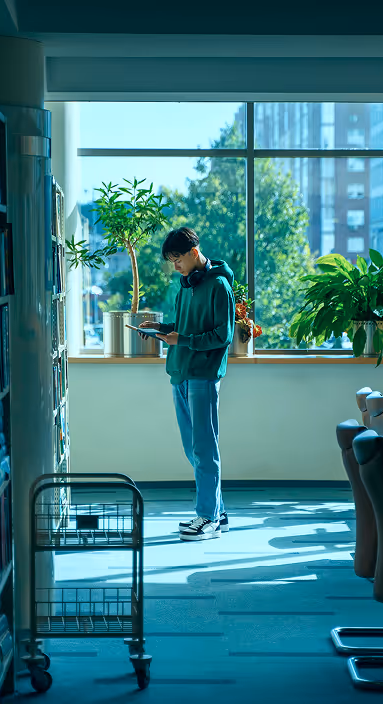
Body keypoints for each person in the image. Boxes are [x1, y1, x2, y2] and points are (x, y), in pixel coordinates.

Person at [139, 227, 235, 541]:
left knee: (205, 449)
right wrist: (160, 328)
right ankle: (218, 511)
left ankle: (206, 517)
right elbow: (180, 328)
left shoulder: (219, 285)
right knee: (192, 449)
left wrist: (186, 340)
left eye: (177, 259)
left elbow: (224, 335)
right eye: (171, 261)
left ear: (194, 252)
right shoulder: (186, 286)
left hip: (202, 376)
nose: (175, 266)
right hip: (179, 373)